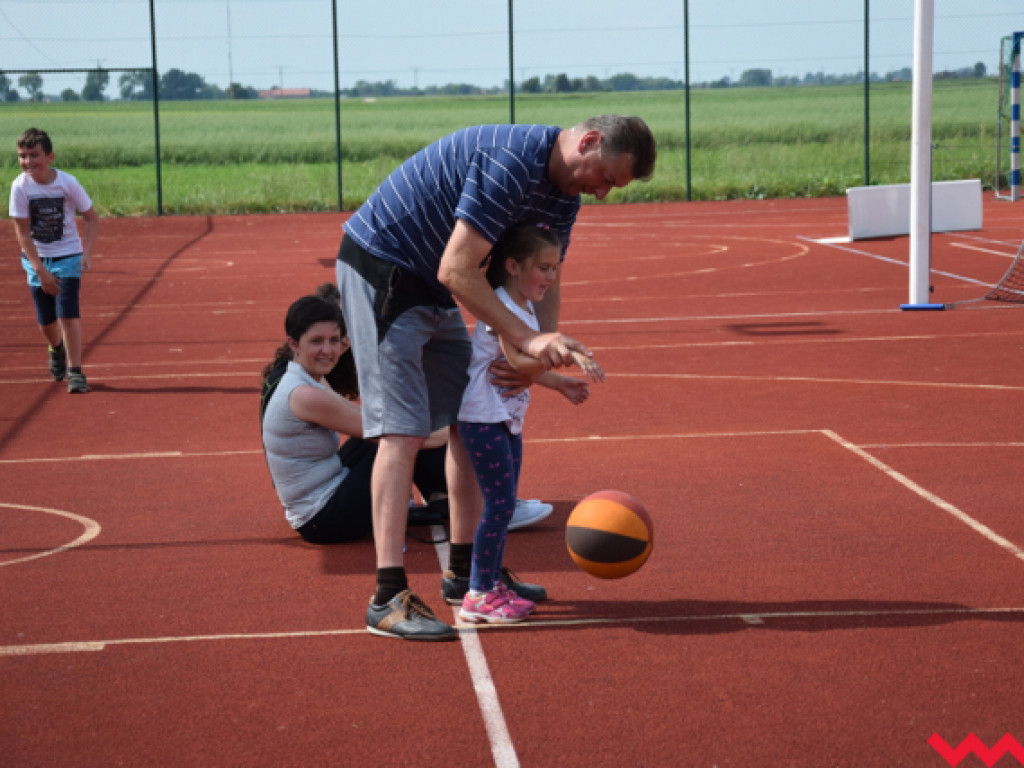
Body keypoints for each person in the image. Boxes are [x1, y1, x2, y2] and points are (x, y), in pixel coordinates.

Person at [336, 115, 656, 640]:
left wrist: (540, 354)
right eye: (603, 177)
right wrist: (528, 342)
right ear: (588, 141)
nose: (600, 193)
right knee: (403, 431)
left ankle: (467, 576)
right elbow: (457, 269)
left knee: (469, 414)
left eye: (611, 188)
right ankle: (386, 597)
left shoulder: (563, 196)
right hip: (385, 268)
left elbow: (547, 278)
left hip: (434, 285)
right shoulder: (510, 162)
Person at [455, 222, 602, 624]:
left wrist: (560, 385)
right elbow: (520, 362)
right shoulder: (500, 305)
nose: (550, 277)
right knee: (500, 506)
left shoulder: (524, 309)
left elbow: (523, 369)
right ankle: (479, 594)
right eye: (543, 268)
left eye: (555, 268)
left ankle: (489, 583)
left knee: (504, 506)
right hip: (483, 419)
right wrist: (567, 349)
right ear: (514, 266)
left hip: (505, 419)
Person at [260, 295, 450, 543]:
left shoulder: (292, 373)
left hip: (325, 493)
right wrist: (454, 431)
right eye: (316, 341)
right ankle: (473, 500)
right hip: (325, 518)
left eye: (334, 340)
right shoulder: (305, 396)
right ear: (294, 343)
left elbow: (367, 416)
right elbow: (397, 434)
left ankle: (446, 497)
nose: (327, 350)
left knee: (383, 434)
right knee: (397, 440)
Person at [9, 128, 99, 394]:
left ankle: (75, 371)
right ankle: (55, 348)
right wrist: (40, 269)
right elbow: (23, 233)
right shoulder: (19, 187)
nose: (28, 162)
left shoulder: (67, 183)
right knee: (46, 320)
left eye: (34, 155)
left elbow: (91, 218)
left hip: (68, 255)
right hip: (36, 259)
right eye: (22, 156)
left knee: (66, 314)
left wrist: (87, 252)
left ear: (50, 157)